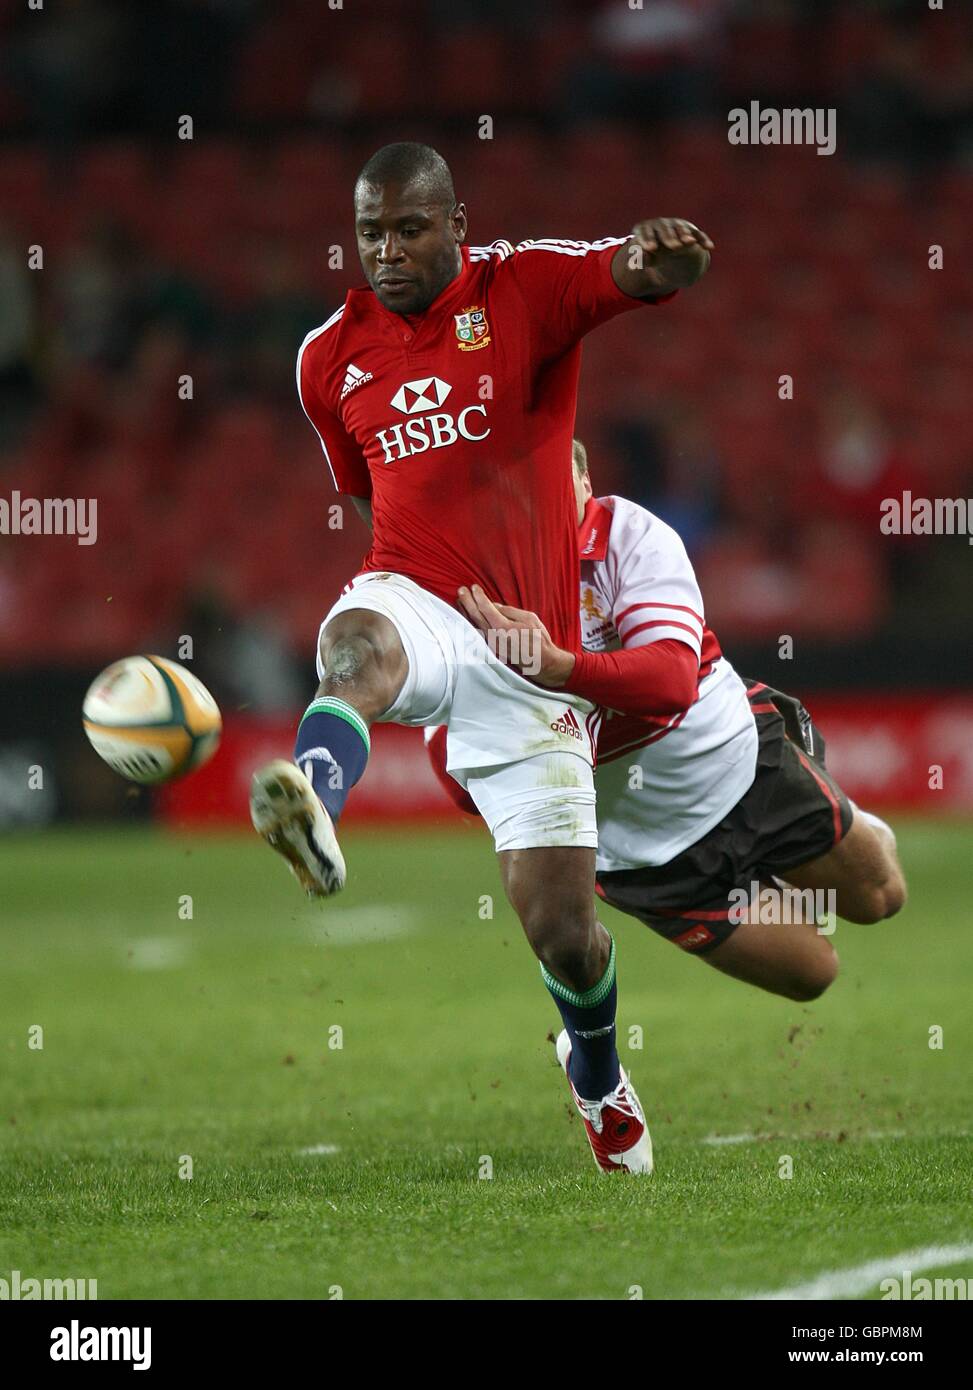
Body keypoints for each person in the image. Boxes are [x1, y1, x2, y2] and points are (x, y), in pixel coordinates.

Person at [249, 141, 713, 1174]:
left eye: (409, 228)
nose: (388, 251)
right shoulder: (327, 355)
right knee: (350, 645)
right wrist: (413, 587)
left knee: (564, 934)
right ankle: (316, 797)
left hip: (528, 646)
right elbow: (368, 495)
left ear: (456, 222)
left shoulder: (525, 287)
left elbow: (628, 274)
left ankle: (595, 1073)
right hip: (415, 594)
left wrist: (664, 262)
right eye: (370, 232)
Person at [439, 440, 906, 1007]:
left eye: (554, 481)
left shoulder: (629, 537)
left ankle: (842, 817)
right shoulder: (470, 595)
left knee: (880, 899)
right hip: (645, 857)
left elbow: (671, 682)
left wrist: (562, 671)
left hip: (739, 768)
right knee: (814, 974)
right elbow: (457, 775)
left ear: (586, 484)